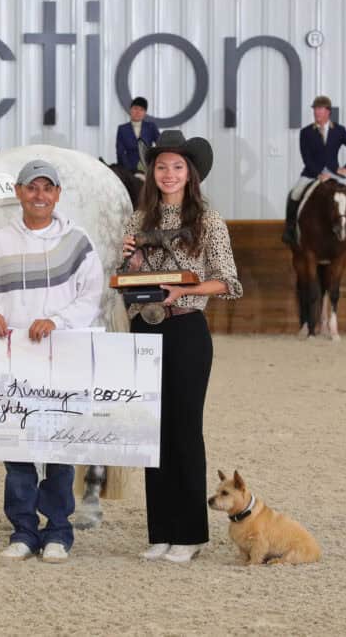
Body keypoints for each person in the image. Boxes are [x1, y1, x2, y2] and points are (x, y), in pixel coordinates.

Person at [0, 159, 104, 564]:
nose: (40, 196)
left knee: (60, 450)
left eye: (48, 188)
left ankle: (59, 532)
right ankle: (24, 531)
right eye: (32, 188)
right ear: (19, 192)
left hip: (61, 360)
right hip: (14, 363)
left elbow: (91, 297)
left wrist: (57, 321)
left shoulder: (78, 243)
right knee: (18, 450)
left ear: (58, 194)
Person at [121, 130, 243, 564]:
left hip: (186, 326)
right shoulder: (138, 221)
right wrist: (131, 262)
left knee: (185, 431)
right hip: (145, 329)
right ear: (151, 173)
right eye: (161, 166)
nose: (168, 173)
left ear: (190, 174)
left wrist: (180, 291)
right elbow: (126, 275)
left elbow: (228, 281)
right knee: (152, 431)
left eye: (177, 167)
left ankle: (190, 533)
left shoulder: (208, 220)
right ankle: (162, 531)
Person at [282, 95, 346, 248]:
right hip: (311, 173)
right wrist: (319, 174)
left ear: (328, 112)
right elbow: (306, 158)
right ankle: (290, 230)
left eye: (320, 109)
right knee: (295, 193)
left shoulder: (339, 131)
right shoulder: (306, 132)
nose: (316, 112)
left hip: (335, 173)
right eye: (315, 109)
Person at [115, 96, 159, 177]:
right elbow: (120, 152)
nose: (138, 112)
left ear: (145, 113)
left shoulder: (151, 127)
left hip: (149, 168)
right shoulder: (122, 129)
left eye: (141, 110)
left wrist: (154, 164)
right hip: (129, 169)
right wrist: (130, 170)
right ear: (130, 110)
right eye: (135, 108)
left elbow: (160, 145)